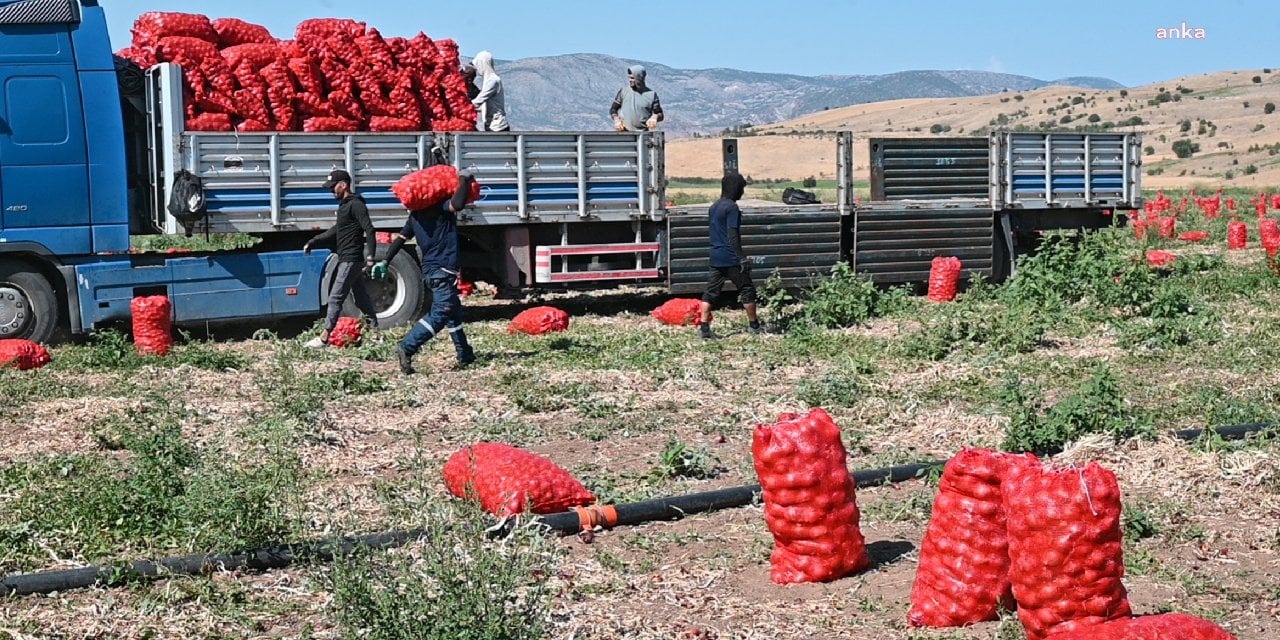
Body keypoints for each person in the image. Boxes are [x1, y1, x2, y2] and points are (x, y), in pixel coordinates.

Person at [372, 170, 477, 374]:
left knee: (453, 312)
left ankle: (465, 353)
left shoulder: (415, 217)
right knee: (441, 313)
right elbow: (458, 204)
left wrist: (385, 261)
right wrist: (464, 179)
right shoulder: (441, 209)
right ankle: (407, 347)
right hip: (442, 269)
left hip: (430, 270)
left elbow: (400, 240)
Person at [303, 169, 378, 348]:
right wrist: (314, 241)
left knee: (335, 297)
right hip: (347, 257)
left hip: (351, 258)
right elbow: (337, 230)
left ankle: (324, 338)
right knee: (360, 298)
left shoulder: (356, 204)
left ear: (343, 185)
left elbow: (369, 229)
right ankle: (376, 334)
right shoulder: (344, 206)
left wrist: (371, 257)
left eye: (333, 187)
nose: (331, 191)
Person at [697, 171, 764, 339]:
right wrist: (741, 257)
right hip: (731, 257)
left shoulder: (714, 206)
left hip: (716, 256)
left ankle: (704, 328)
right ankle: (754, 326)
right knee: (747, 289)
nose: (742, 192)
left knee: (710, 293)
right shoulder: (732, 208)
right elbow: (732, 234)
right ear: (735, 188)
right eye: (741, 188)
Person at [610, 65, 663, 132]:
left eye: (632, 78)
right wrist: (616, 119)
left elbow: (659, 114)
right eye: (629, 78)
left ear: (639, 77)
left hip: (643, 135)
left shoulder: (651, 95)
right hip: (624, 133)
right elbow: (613, 109)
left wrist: (655, 117)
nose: (630, 80)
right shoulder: (623, 91)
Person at [470, 51, 509, 132]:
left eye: (478, 65)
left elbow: (480, 99)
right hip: (491, 125)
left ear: (482, 64)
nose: (477, 68)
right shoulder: (488, 80)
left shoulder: (493, 81)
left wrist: (463, 107)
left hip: (498, 127)